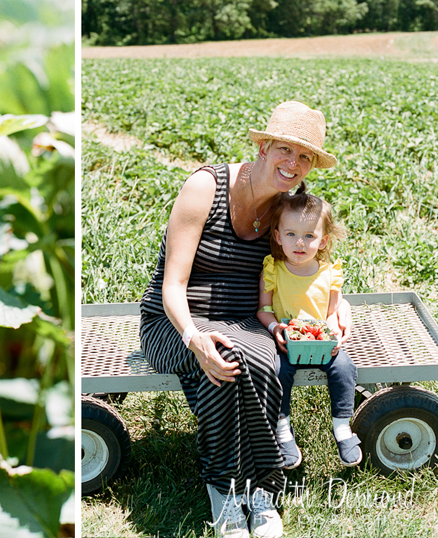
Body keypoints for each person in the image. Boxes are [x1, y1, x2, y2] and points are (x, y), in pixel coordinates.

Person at [139, 101, 352, 538]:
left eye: (304, 156)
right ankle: (225, 490)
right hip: (173, 320)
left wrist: (340, 306)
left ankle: (259, 491)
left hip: (245, 320)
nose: (293, 164)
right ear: (264, 148)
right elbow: (172, 287)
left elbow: (312, 265)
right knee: (222, 358)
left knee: (263, 362)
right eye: (285, 150)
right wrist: (194, 337)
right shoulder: (205, 187)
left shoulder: (284, 210)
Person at [257, 185, 362, 469]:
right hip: (287, 342)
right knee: (277, 371)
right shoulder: (273, 269)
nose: (299, 243)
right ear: (278, 237)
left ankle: (342, 428)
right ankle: (282, 430)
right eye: (290, 234)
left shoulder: (329, 272)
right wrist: (275, 328)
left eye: (309, 236)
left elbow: (332, 311)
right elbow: (264, 310)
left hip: (320, 341)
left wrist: (334, 333)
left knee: (344, 368)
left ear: (324, 241)